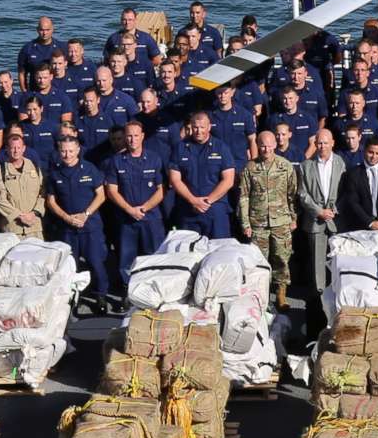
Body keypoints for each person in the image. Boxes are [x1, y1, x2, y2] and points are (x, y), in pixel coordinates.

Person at [103, 120, 169, 300]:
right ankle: (129, 293)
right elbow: (112, 191)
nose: (132, 140)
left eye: (136, 136)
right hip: (126, 219)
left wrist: (144, 208)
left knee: (155, 256)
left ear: (142, 137)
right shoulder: (116, 161)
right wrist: (130, 210)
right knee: (127, 258)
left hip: (151, 217)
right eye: (129, 136)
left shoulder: (154, 159)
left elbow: (161, 189)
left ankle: (156, 292)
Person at [43, 134, 107, 304]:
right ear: (59, 151)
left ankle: (100, 296)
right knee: (69, 266)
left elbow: (101, 195)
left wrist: (86, 214)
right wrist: (66, 218)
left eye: (71, 151)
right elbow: (51, 201)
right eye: (63, 151)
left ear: (78, 150)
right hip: (67, 228)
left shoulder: (90, 169)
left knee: (96, 262)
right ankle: (71, 299)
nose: (67, 155)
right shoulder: (54, 173)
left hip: (90, 226)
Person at [241, 129, 298, 308]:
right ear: (257, 146)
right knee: (259, 262)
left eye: (269, 145)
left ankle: (281, 295)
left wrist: (293, 218)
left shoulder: (285, 166)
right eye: (262, 146)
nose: (266, 149)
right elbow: (244, 196)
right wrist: (245, 223)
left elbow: (292, 195)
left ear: (275, 145)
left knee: (281, 259)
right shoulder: (250, 168)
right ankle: (261, 297)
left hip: (281, 221)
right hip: (258, 223)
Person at [167, 110, 239, 241]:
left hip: (215, 211)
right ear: (190, 127)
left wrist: (208, 201)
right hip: (188, 210)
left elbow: (228, 180)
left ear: (209, 127)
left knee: (218, 253)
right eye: (195, 127)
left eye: (202, 127)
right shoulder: (180, 148)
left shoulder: (221, 147)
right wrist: (193, 200)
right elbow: (175, 179)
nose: (198, 131)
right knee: (188, 254)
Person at [295, 126, 347, 299]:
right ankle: (319, 296)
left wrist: (334, 210)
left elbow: (346, 190)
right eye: (319, 143)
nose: (322, 146)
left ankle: (338, 294)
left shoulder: (341, 163)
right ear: (315, 144)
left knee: (339, 258)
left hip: (336, 218)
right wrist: (319, 211)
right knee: (317, 262)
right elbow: (302, 194)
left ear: (332, 143)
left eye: (326, 143)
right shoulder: (305, 166)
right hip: (315, 220)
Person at [0, 128, 47, 241]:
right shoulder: (0, 171)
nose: (16, 151)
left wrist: (34, 214)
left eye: (18, 147)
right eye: (12, 148)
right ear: (7, 149)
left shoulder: (34, 166)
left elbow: (42, 193)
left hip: (34, 227)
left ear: (24, 148)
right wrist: (19, 216)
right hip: (12, 229)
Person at [340, 134, 378, 234]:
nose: (374, 156)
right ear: (364, 151)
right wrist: (370, 222)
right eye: (371, 152)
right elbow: (353, 202)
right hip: (361, 227)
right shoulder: (353, 174)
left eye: (377, 153)